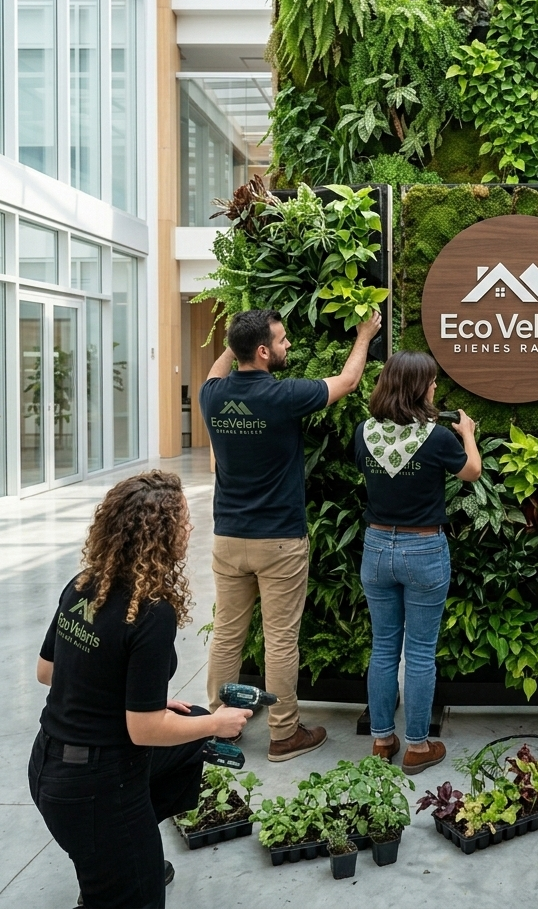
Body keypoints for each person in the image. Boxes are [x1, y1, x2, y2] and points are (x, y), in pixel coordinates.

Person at [29, 472, 252, 909]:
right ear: (161, 534)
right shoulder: (151, 612)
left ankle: (121, 851)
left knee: (188, 732)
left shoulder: (83, 585)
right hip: (94, 787)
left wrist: (140, 695)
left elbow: (47, 671)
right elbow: (144, 730)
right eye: (183, 520)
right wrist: (217, 723)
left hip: (48, 764)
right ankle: (117, 859)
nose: (190, 527)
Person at [201, 307, 381, 761]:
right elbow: (347, 382)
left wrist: (237, 339)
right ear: (263, 351)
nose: (288, 346)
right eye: (281, 340)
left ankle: (220, 726)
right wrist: (365, 334)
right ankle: (283, 735)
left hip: (228, 537)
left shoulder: (212, 396)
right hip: (278, 539)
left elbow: (216, 370)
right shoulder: (283, 395)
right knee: (280, 639)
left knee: (227, 634)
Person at [354, 351, 481, 774]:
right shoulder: (437, 437)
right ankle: (417, 746)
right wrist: (467, 433)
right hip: (423, 549)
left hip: (376, 547)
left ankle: (381, 740)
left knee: (383, 646)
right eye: (431, 381)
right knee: (421, 652)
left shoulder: (364, 432)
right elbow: (472, 471)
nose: (435, 386)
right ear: (417, 388)